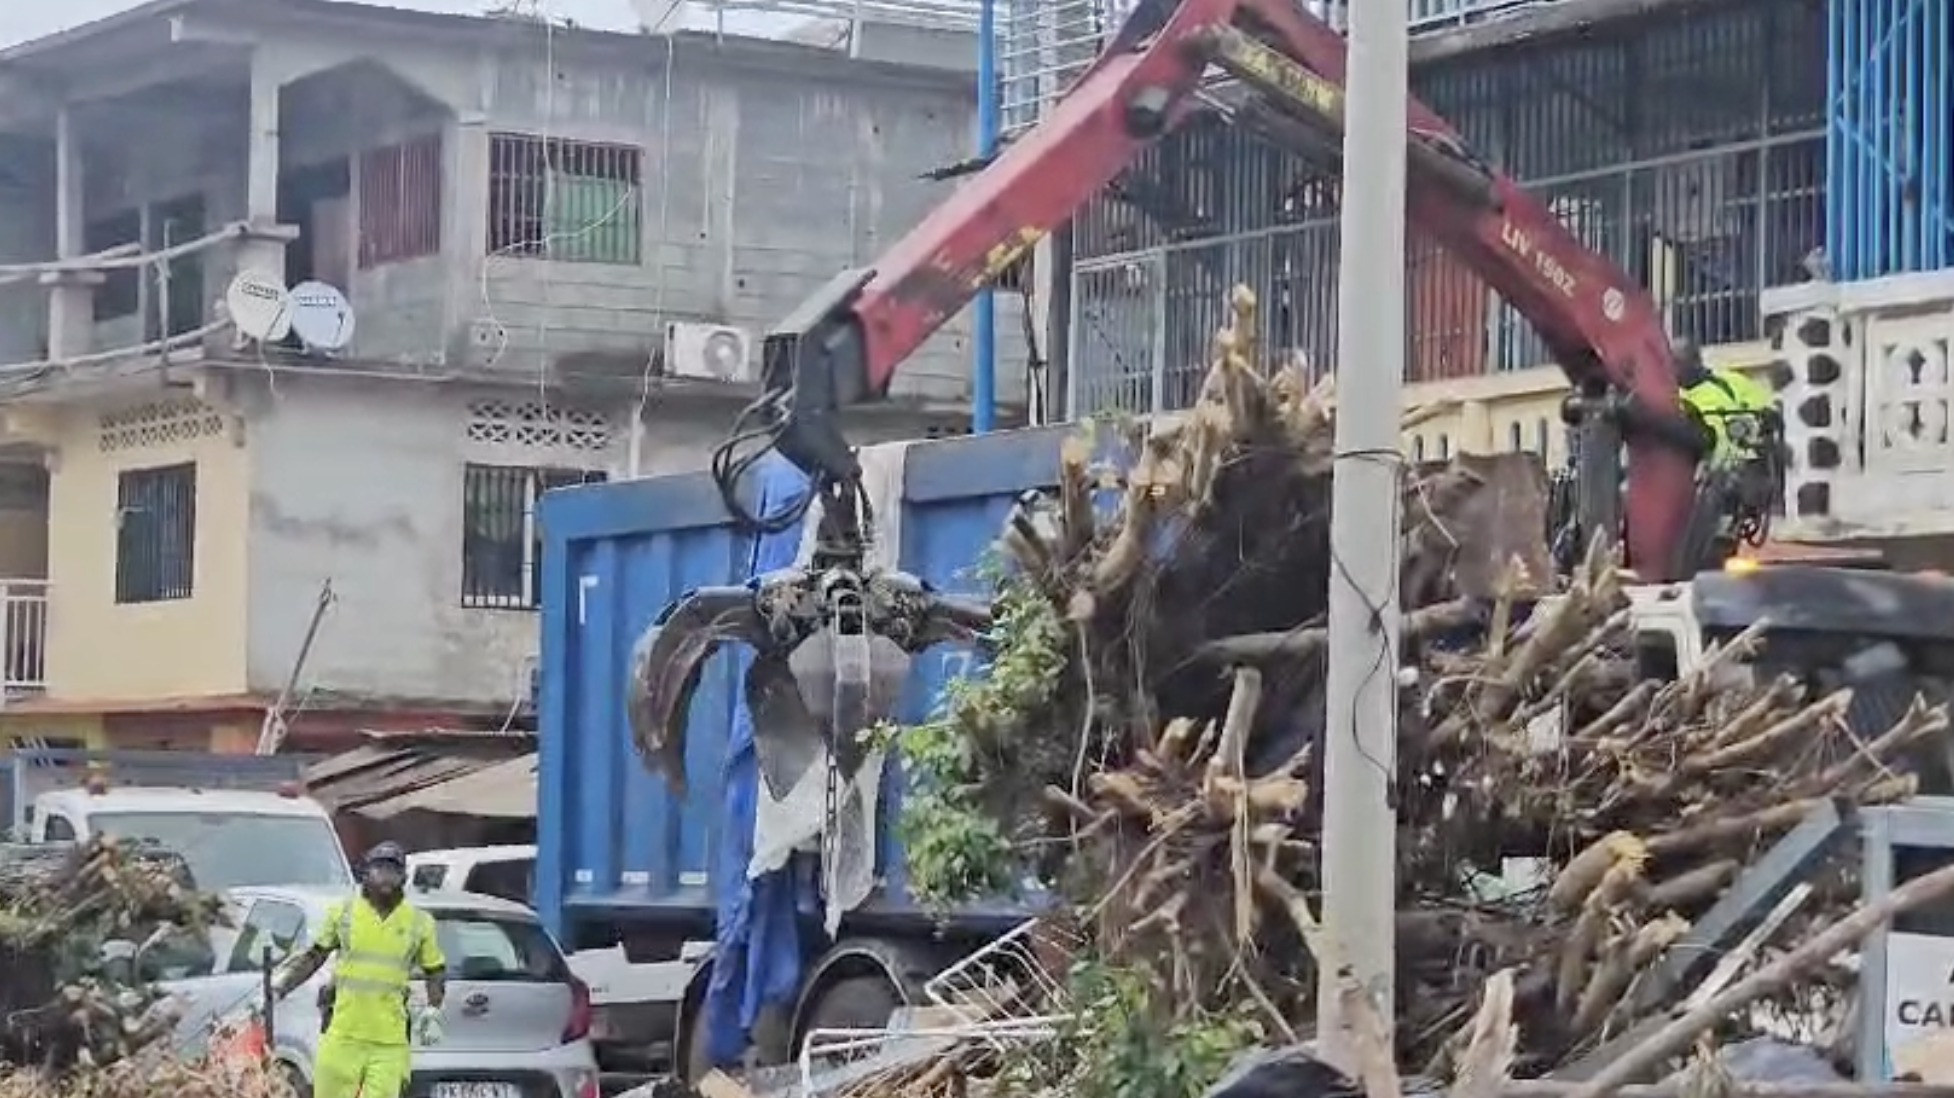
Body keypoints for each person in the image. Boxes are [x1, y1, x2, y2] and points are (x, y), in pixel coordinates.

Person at [269, 842, 447, 1098]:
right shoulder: (343, 913)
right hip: (343, 1035)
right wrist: (281, 988)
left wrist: (434, 1008)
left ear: (403, 877)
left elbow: (435, 969)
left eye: (393, 872)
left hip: (389, 1042)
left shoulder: (419, 922)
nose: (385, 879)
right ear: (365, 874)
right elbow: (314, 956)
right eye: (379, 870)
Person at [1672, 338, 1778, 469]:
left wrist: (1755, 421)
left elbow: (1767, 410)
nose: (1671, 368)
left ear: (1696, 362)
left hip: (1743, 466)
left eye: (1677, 362)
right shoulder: (1668, 396)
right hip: (1696, 470)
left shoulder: (1729, 381)